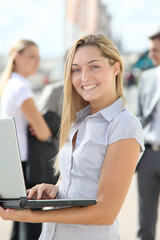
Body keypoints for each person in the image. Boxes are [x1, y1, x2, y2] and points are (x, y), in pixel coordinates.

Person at [0, 33, 144, 240]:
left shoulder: (125, 126)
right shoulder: (78, 120)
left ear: (116, 67)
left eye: (94, 66)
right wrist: (55, 189)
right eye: (76, 70)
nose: (84, 77)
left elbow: (106, 212)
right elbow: (75, 180)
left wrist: (33, 216)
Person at [0, 39, 52, 240]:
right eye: (32, 57)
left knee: (19, 225)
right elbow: (43, 132)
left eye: (38, 58)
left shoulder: (9, 85)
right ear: (16, 57)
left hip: (13, 163)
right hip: (27, 165)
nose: (36, 62)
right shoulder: (21, 87)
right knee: (31, 227)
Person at [136, 30, 160, 240]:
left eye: (156, 50)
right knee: (145, 220)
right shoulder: (145, 77)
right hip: (149, 155)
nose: (152, 55)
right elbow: (140, 116)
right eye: (151, 50)